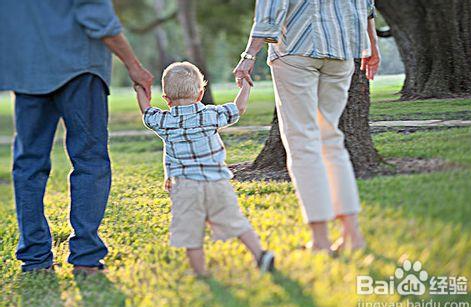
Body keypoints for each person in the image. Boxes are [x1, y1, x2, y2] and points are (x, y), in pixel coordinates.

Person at [0, 0, 153, 273]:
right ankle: (86, 257)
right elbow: (98, 18)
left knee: (28, 165)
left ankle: (34, 259)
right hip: (80, 69)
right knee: (90, 161)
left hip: (28, 72)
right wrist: (133, 65)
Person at [233, 0, 381, 254]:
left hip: (296, 48)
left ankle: (321, 241)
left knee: (303, 143)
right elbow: (366, 4)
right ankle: (352, 234)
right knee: (331, 140)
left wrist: (249, 55)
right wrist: (372, 44)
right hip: (342, 49)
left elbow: (271, 6)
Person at [134, 62, 275, 277]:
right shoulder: (210, 115)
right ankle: (260, 254)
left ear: (166, 99)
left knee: (190, 231)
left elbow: (146, 111)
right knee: (234, 220)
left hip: (185, 187)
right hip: (217, 182)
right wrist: (245, 85)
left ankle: (200, 273)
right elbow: (239, 108)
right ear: (200, 94)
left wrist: (139, 90)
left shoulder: (164, 121)